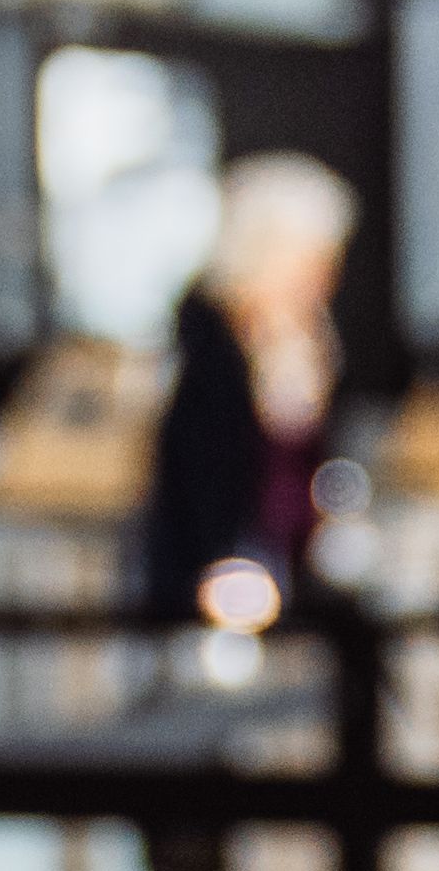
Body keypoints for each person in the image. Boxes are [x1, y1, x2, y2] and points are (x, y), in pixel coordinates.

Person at [130, 151, 355, 626]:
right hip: (218, 580)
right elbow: (193, 477)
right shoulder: (204, 346)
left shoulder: (310, 344)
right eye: (310, 264)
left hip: (290, 580)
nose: (322, 285)